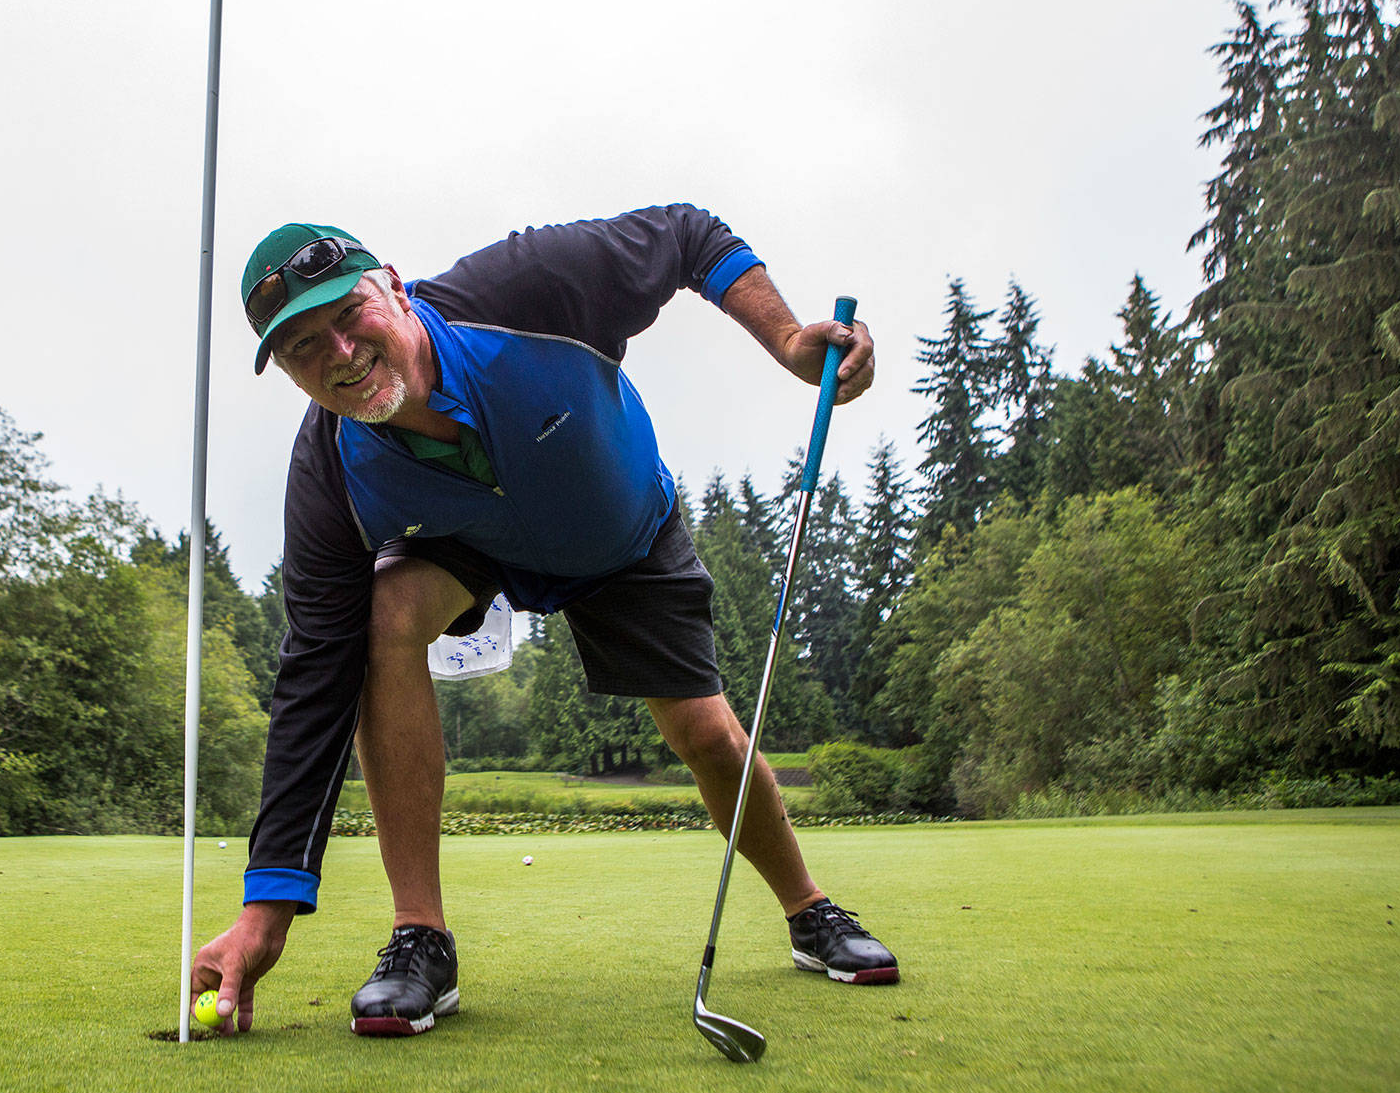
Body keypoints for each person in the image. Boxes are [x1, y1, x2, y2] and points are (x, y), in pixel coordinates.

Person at [191, 205, 897, 1038]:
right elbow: (315, 672)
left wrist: (785, 338)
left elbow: (687, 235)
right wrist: (266, 906)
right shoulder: (327, 474)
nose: (339, 354)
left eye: (350, 315)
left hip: (622, 531)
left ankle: (807, 908)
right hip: (472, 546)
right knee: (381, 616)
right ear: (285, 370)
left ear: (397, 290)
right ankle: (420, 936)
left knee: (709, 739)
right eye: (304, 345)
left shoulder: (526, 286)